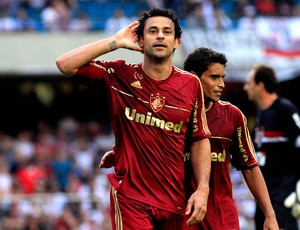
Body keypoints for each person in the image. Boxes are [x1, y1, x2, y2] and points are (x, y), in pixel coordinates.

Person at [56, 7, 211, 230]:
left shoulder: (191, 84)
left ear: (177, 42)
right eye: (152, 31)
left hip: (175, 199)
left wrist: (203, 189)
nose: (160, 36)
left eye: (167, 32)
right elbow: (65, 64)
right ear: (140, 40)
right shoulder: (121, 75)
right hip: (131, 197)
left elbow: (199, 139)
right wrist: (115, 41)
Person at [100, 47, 280, 229]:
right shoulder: (172, 113)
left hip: (220, 215)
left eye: (222, 78)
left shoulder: (232, 116)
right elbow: (148, 139)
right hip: (181, 214)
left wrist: (270, 215)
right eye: (214, 77)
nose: (221, 84)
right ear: (193, 77)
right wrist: (120, 152)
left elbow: (249, 167)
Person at [244, 63, 300, 230]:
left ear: (260, 85)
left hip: (282, 194)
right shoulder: (260, 116)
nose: (245, 88)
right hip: (263, 195)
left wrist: (296, 187)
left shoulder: (285, 110)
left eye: (249, 83)